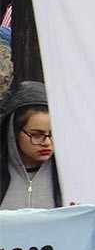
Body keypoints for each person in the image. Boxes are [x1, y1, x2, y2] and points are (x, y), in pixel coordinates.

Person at [2, 80, 58, 208]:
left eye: (53, 134)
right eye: (36, 135)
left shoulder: (67, 175)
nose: (47, 142)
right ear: (14, 132)